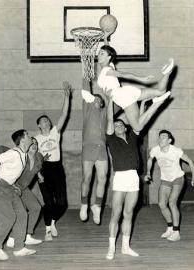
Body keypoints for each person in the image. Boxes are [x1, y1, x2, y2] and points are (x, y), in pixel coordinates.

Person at [105, 91, 168, 260]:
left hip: (133, 178)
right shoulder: (111, 139)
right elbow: (110, 120)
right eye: (116, 126)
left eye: (120, 125)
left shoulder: (133, 137)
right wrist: (110, 100)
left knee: (128, 213)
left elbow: (138, 122)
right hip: (120, 177)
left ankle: (125, 247)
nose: (117, 126)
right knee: (115, 214)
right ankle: (111, 248)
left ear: (125, 128)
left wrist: (142, 104)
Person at [97, 42, 174, 133]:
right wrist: (106, 36)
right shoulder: (110, 66)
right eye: (99, 53)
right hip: (127, 91)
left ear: (109, 57)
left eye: (102, 54)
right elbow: (108, 51)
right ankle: (167, 74)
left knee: (137, 127)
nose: (99, 55)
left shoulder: (106, 70)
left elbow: (123, 74)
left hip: (121, 96)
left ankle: (156, 104)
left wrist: (141, 78)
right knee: (160, 91)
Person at [0, 129, 36, 261]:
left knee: (22, 214)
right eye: (27, 134)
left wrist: (13, 185)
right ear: (22, 140)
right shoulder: (13, 153)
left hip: (10, 188)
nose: (30, 135)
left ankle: (19, 248)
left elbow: (8, 173)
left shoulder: (24, 155)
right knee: (7, 218)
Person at [35, 81, 72, 241]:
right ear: (39, 125)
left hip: (57, 168)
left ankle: (52, 221)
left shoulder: (55, 132)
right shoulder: (35, 139)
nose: (47, 122)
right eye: (44, 121)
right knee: (48, 202)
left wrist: (67, 97)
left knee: (62, 203)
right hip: (43, 169)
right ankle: (48, 229)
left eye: (48, 120)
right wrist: (38, 173)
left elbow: (64, 115)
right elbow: (32, 158)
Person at [144, 130, 194, 241]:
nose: (160, 139)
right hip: (165, 179)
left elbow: (190, 162)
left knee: (172, 203)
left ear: (169, 140)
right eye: (159, 137)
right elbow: (150, 159)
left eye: (163, 137)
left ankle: (176, 232)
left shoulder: (175, 151)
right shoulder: (155, 150)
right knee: (162, 204)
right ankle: (170, 228)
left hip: (178, 178)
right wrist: (148, 172)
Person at [6, 137, 45, 248]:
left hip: (24, 188)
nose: (34, 145)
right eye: (31, 143)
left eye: (36, 143)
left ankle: (27, 236)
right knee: (21, 213)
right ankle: (12, 238)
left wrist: (39, 175)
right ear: (26, 146)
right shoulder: (21, 157)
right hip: (13, 187)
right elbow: (9, 172)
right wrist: (13, 186)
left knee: (36, 208)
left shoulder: (39, 157)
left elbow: (37, 168)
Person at [79, 79, 108, 224]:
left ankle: (97, 206)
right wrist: (86, 74)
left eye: (99, 99)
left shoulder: (105, 113)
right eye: (94, 98)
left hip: (102, 148)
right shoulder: (87, 109)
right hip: (88, 147)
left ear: (102, 103)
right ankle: (84, 204)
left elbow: (113, 102)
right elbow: (85, 88)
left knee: (102, 178)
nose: (96, 100)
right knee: (87, 178)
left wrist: (110, 94)